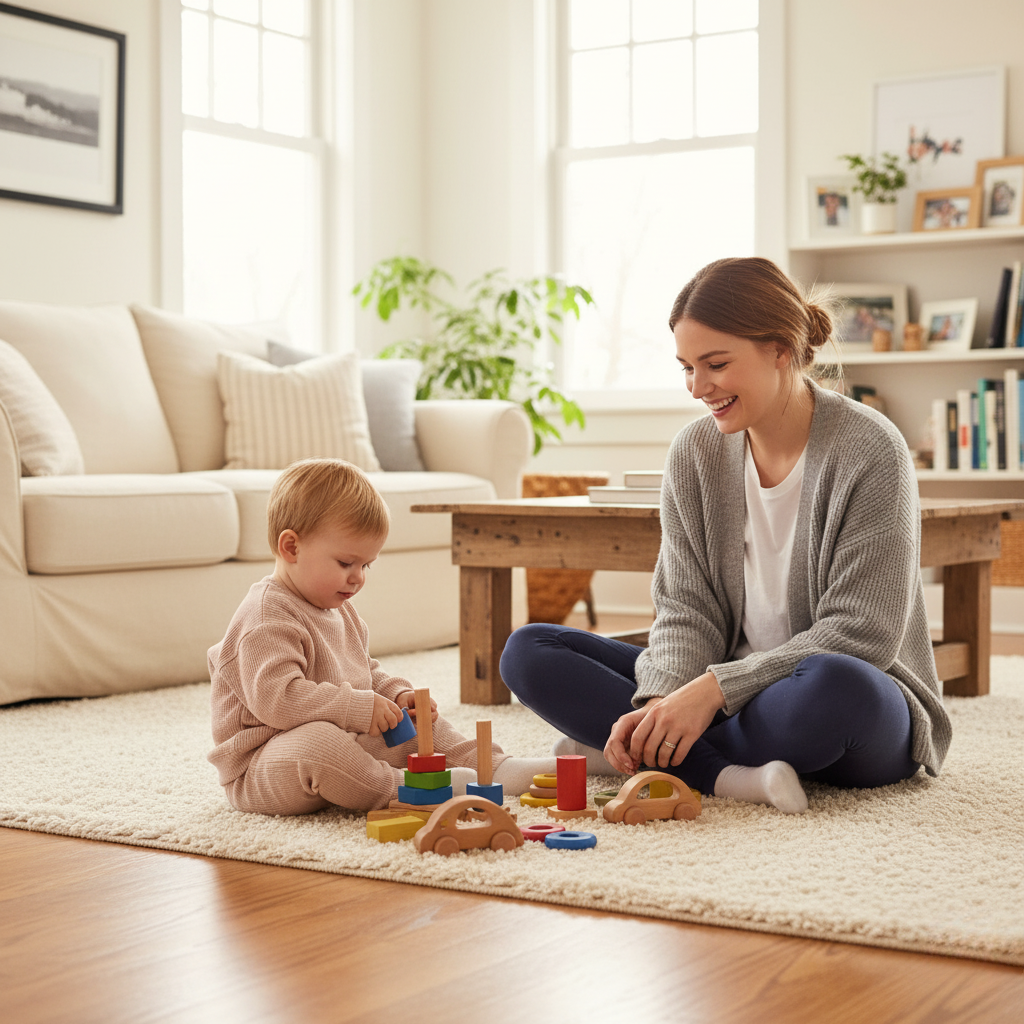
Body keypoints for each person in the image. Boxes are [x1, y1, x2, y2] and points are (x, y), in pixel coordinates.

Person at [499, 257, 951, 814]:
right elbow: (686, 608)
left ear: (780, 349)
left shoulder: (872, 448)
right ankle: (722, 769)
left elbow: (863, 634)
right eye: (686, 367)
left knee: (836, 684)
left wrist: (711, 691)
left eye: (714, 364)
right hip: (733, 701)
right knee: (531, 650)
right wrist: (665, 700)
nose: (697, 387)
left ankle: (629, 753)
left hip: (847, 707)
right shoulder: (694, 453)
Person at [208, 458, 552, 815]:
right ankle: (410, 788)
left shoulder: (338, 609)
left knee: (416, 726)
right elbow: (279, 700)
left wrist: (396, 696)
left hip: (343, 739)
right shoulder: (266, 616)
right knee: (320, 745)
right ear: (291, 548)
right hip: (266, 763)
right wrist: (357, 708)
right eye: (345, 564)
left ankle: (493, 768)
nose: (357, 577)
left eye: (365, 565)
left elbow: (365, 673)